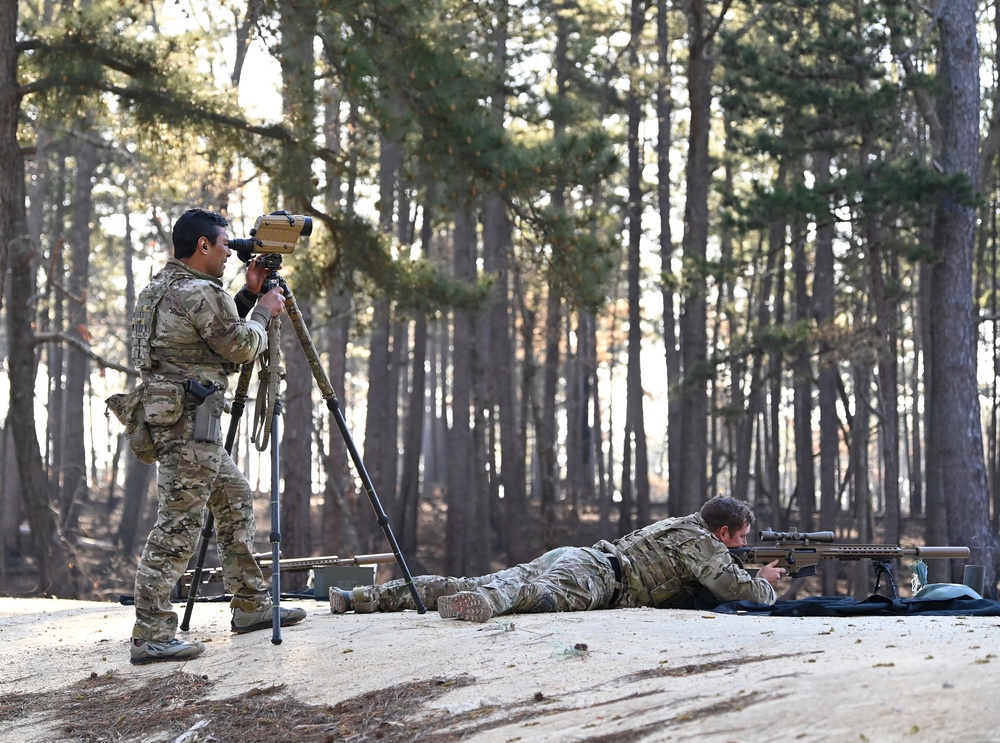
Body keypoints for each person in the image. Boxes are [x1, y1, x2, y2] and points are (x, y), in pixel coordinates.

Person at [128, 208, 306, 664]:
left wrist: (246, 297)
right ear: (202, 245)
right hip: (190, 424)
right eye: (226, 244)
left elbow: (212, 340)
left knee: (234, 497)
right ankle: (151, 633)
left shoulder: (160, 288)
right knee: (178, 526)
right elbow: (241, 348)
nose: (231, 252)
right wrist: (265, 309)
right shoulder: (202, 292)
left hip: (176, 418)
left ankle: (249, 605)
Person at [329, 496, 786, 622]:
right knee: (537, 595)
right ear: (722, 532)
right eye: (740, 539)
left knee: (461, 578)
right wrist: (764, 579)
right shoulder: (704, 542)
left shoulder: (682, 525)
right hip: (599, 576)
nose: (741, 546)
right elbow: (738, 592)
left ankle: (359, 597)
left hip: (579, 556)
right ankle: (484, 603)